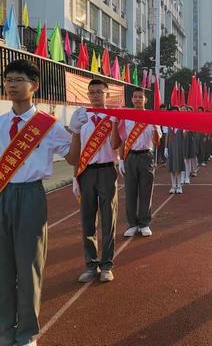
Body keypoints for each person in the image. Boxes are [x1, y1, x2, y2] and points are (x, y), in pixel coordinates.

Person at [0, 59, 80, 346]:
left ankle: (26, 334)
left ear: (34, 85)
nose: (11, 84)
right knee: (3, 268)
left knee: (28, 265)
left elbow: (72, 159)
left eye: (18, 79)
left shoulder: (47, 125)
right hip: (2, 194)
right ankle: (4, 331)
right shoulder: (0, 123)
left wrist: (78, 133)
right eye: (8, 79)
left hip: (31, 196)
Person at [71, 79, 122, 283]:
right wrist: (75, 177)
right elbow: (76, 152)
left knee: (109, 218)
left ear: (107, 94)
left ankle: (107, 264)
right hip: (86, 172)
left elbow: (116, 145)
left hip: (107, 170)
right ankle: (91, 265)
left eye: (99, 92)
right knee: (87, 220)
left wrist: (115, 124)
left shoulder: (112, 117)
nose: (94, 95)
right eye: (91, 92)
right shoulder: (80, 117)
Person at [118, 87, 161, 238]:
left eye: (140, 97)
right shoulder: (126, 117)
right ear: (131, 99)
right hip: (130, 157)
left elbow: (156, 141)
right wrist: (121, 159)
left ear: (145, 100)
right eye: (135, 97)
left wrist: (156, 128)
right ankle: (132, 224)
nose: (137, 99)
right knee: (130, 191)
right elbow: (123, 139)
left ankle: (144, 223)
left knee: (146, 191)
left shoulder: (151, 116)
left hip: (146, 156)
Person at [166, 106, 185, 194]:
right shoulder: (169, 123)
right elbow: (167, 135)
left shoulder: (182, 123)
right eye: (172, 112)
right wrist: (165, 148)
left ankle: (179, 185)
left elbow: (184, 136)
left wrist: (185, 130)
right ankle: (173, 186)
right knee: (172, 167)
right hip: (171, 147)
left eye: (176, 112)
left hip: (179, 147)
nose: (174, 113)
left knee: (178, 167)